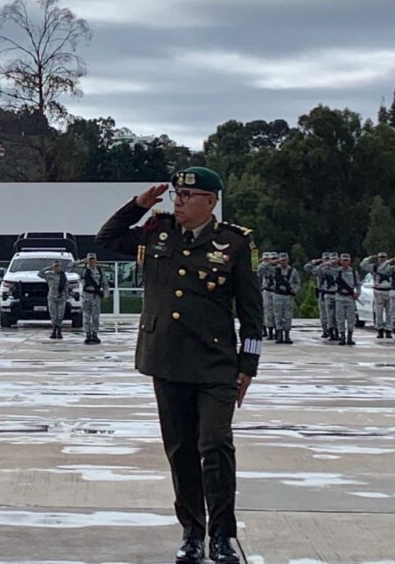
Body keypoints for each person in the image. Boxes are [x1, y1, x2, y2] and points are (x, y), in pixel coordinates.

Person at [96, 166, 262, 564]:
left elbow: (252, 312)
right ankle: (192, 532)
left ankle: (222, 535)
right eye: (177, 195)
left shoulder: (234, 244)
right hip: (167, 359)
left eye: (189, 196)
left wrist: (248, 365)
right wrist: (138, 206)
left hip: (216, 363)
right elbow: (106, 239)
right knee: (181, 450)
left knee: (215, 445)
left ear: (211, 201)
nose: (180, 202)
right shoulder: (157, 232)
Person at [77, 253, 108, 345]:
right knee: (86, 316)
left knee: (95, 316)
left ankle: (95, 334)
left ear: (96, 260)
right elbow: (69, 267)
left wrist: (105, 295)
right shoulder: (82, 270)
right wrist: (81, 261)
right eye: (90, 259)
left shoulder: (99, 270)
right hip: (86, 295)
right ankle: (88, 334)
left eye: (93, 259)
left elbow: (105, 284)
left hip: (96, 296)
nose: (91, 261)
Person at [361, 252, 391, 339]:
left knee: (390, 313)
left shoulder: (390, 268)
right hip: (378, 291)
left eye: (383, 257)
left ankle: (388, 330)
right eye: (380, 257)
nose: (382, 259)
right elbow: (363, 265)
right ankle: (380, 329)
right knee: (379, 312)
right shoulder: (374, 267)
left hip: (389, 291)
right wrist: (370, 257)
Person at [271, 253, 299, 345]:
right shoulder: (275, 269)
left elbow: (297, 282)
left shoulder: (292, 271)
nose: (283, 262)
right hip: (277, 295)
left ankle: (287, 335)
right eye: (282, 260)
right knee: (278, 315)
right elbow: (260, 270)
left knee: (288, 316)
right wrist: (272, 262)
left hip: (288, 295)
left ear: (288, 260)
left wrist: (294, 290)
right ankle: (279, 335)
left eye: (285, 260)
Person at [39, 260, 69, 340]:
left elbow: (66, 286)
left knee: (60, 315)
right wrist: (49, 268)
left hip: (61, 298)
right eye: (55, 266)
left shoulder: (63, 276)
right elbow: (40, 273)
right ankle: (53, 331)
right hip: (52, 297)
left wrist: (67, 296)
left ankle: (59, 331)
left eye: (58, 266)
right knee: (53, 315)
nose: (57, 268)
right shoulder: (49, 275)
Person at [334, 253, 359, 346]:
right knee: (340, 318)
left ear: (349, 261)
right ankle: (342, 337)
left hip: (350, 297)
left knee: (351, 318)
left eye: (347, 260)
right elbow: (318, 271)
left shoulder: (353, 272)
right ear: (340, 261)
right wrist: (331, 262)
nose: (345, 262)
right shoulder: (336, 271)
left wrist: (357, 293)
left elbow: (358, 284)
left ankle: (350, 337)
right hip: (340, 297)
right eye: (343, 260)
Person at [257, 252, 277, 340]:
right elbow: (258, 271)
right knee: (266, 312)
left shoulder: (278, 267)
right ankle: (266, 330)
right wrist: (266, 263)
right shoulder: (263, 267)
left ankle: (277, 331)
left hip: (277, 291)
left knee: (276, 312)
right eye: (266, 259)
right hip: (266, 290)